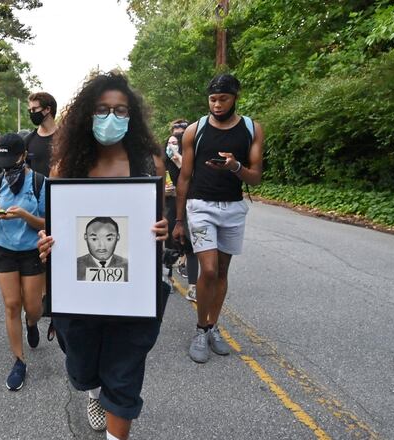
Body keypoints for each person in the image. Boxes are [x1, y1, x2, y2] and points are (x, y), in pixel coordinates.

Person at [37, 71, 168, 439]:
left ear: (133, 116)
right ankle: (94, 391)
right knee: (82, 369)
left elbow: (156, 217)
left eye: (121, 111)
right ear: (86, 114)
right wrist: (47, 243)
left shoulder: (149, 162)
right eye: (103, 109)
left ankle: (113, 418)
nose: (112, 117)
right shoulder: (67, 167)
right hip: (79, 296)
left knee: (124, 377)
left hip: (133, 292)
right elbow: (56, 226)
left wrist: (161, 227)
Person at [173, 73, 264, 363]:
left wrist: (235, 167)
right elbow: (184, 177)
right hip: (201, 206)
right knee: (208, 271)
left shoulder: (251, 129)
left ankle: (213, 326)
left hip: (234, 208)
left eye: (223, 99)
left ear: (235, 97)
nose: (217, 104)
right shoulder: (194, 130)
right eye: (213, 99)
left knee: (223, 272)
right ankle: (200, 330)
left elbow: (256, 177)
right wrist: (178, 220)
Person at [0, 133, 46, 392]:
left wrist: (25, 215)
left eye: (11, 159)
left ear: (22, 156)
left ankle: (32, 323)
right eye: (2, 161)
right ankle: (19, 360)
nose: (6, 166)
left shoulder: (39, 182)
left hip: (31, 250)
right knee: (11, 305)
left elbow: (48, 222)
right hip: (4, 250)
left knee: (33, 307)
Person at [165, 120, 199, 301]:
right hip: (170, 205)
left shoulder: (193, 156)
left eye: (177, 142)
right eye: (171, 142)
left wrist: (180, 161)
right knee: (169, 242)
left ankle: (193, 286)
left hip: (190, 205)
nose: (173, 146)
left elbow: (198, 181)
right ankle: (168, 278)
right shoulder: (161, 159)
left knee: (191, 245)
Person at [76, 217, 129, 282]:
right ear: (85, 237)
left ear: (117, 237)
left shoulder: (127, 266)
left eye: (109, 239)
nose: (102, 246)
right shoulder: (75, 265)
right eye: (94, 239)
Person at [25, 92, 57, 177]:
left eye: (34, 109)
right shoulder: (28, 140)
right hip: (35, 189)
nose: (32, 113)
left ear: (47, 109)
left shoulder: (65, 137)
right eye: (30, 110)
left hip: (59, 189)